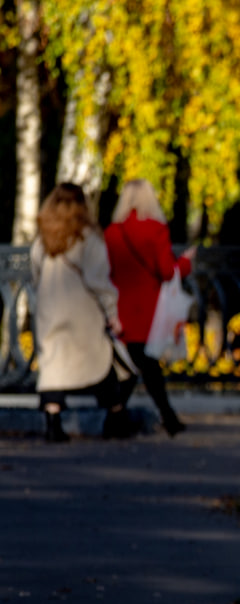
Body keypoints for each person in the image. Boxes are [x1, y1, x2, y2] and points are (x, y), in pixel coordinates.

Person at [30, 183, 135, 442]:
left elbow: (35, 275)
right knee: (100, 364)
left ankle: (53, 424)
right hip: (82, 314)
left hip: (50, 310)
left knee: (54, 367)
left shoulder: (43, 239)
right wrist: (112, 312)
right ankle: (116, 416)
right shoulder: (88, 239)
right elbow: (99, 280)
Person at [104, 178, 196, 436]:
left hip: (120, 309)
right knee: (146, 365)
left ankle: (119, 419)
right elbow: (167, 272)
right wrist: (186, 264)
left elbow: (105, 271)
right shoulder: (155, 230)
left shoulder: (112, 232)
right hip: (149, 311)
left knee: (132, 366)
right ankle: (166, 419)